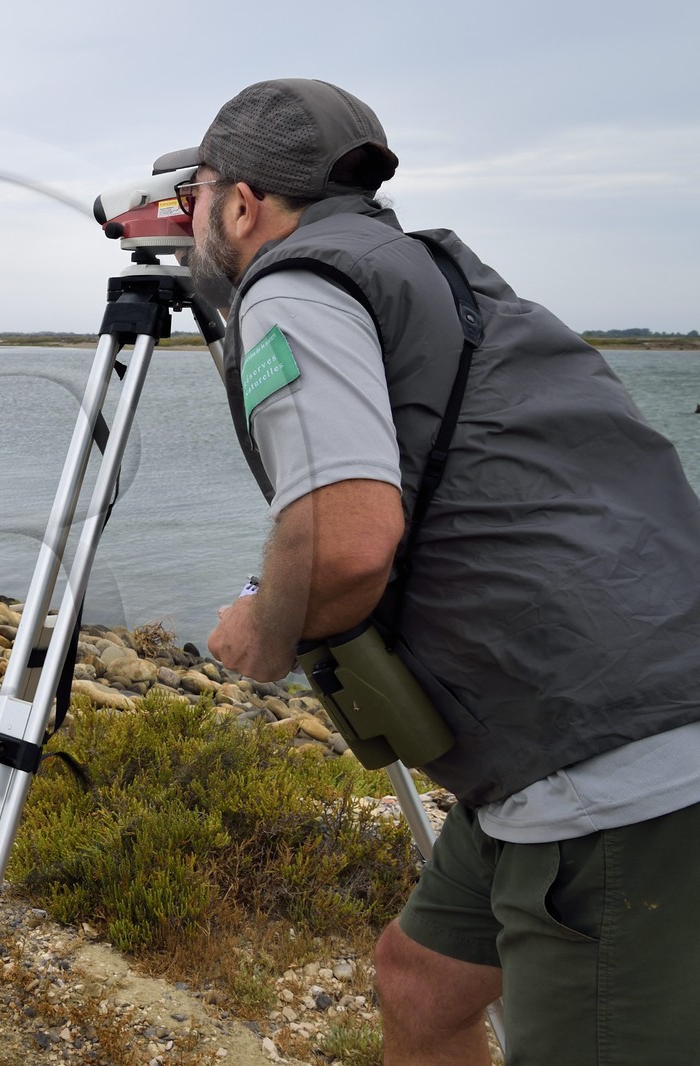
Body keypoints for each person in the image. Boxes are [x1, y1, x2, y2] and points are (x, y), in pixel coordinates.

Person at [165, 79, 700, 1063]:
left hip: (614, 754)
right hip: (600, 699)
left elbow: (343, 544)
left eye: (195, 193)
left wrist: (262, 628)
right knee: (418, 983)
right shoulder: (428, 274)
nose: (182, 218)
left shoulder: (290, 285)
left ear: (240, 204)